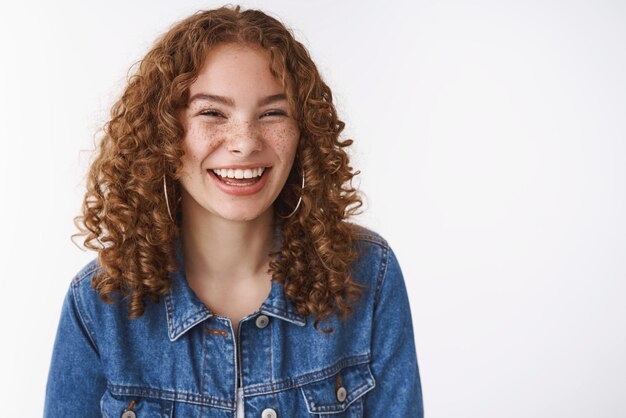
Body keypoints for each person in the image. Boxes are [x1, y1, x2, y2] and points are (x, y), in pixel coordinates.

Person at [44, 5, 424, 417]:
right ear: (164, 132)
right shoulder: (100, 303)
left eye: (273, 113)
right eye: (212, 113)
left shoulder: (368, 272)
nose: (245, 142)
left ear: (304, 133)